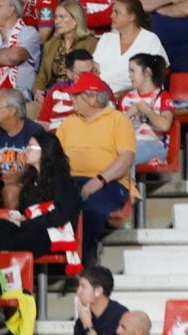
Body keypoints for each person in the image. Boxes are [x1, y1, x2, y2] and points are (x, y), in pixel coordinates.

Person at [54, 73, 137, 264]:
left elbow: (126, 158)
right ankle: (63, 257)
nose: (71, 99)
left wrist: (99, 180)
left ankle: (83, 258)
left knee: (91, 209)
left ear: (92, 97)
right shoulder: (68, 123)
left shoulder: (118, 120)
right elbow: (55, 157)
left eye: (76, 95)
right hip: (71, 181)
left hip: (110, 183)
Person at [94, 0, 165, 96]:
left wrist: (126, 94)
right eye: (112, 12)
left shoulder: (150, 39)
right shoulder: (106, 38)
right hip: (101, 95)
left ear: (131, 16)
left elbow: (158, 74)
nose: (111, 16)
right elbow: (94, 69)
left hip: (135, 97)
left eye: (117, 12)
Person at [34, 0, 97, 100]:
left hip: (78, 96)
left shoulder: (90, 44)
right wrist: (37, 91)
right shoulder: (50, 44)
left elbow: (92, 76)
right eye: (56, 17)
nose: (57, 21)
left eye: (62, 17)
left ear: (75, 20)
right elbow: (41, 78)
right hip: (51, 96)